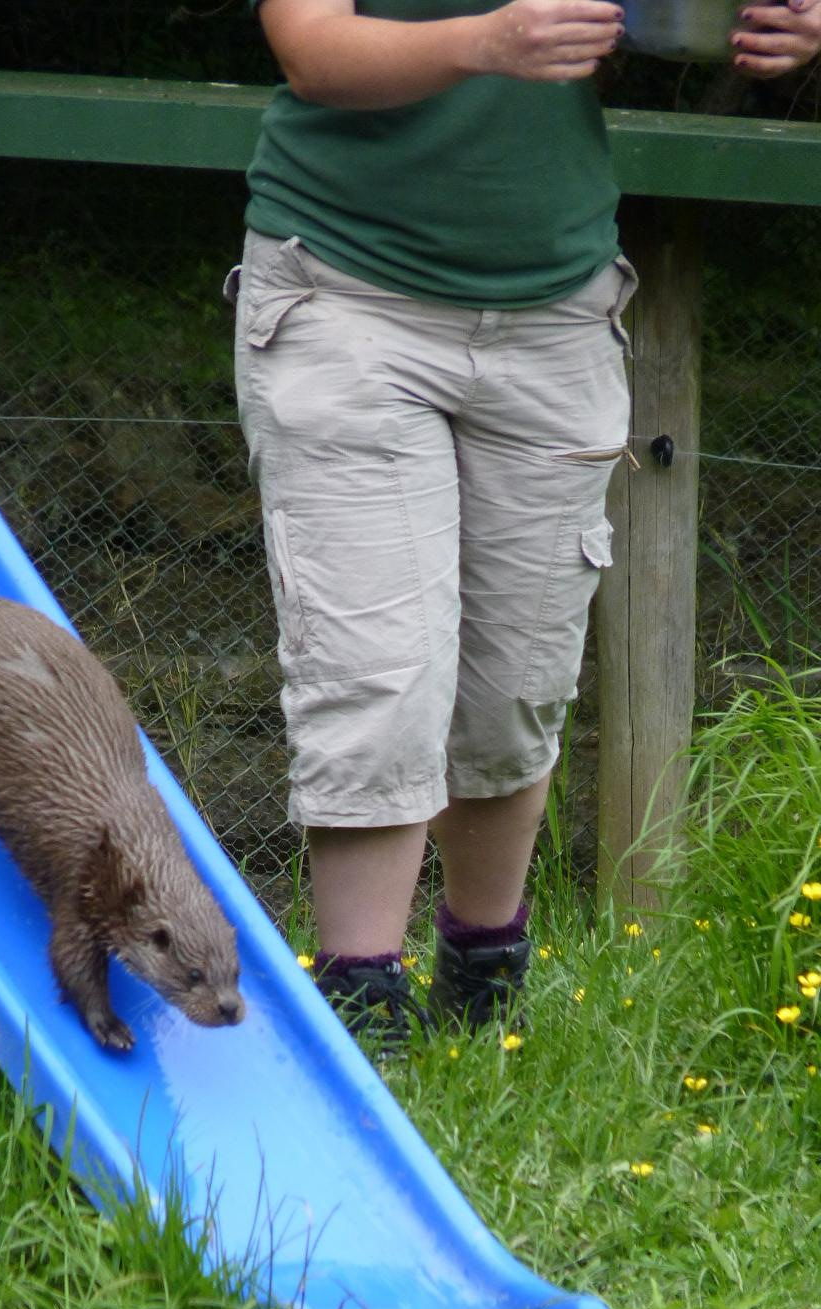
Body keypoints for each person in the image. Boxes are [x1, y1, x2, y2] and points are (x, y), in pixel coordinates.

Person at [230, 0, 821, 1042]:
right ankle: (361, 1017)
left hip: (555, 311)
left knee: (520, 682)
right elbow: (310, 49)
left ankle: (483, 1002)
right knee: (382, 674)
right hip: (345, 299)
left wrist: (779, 23)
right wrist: (486, 44)